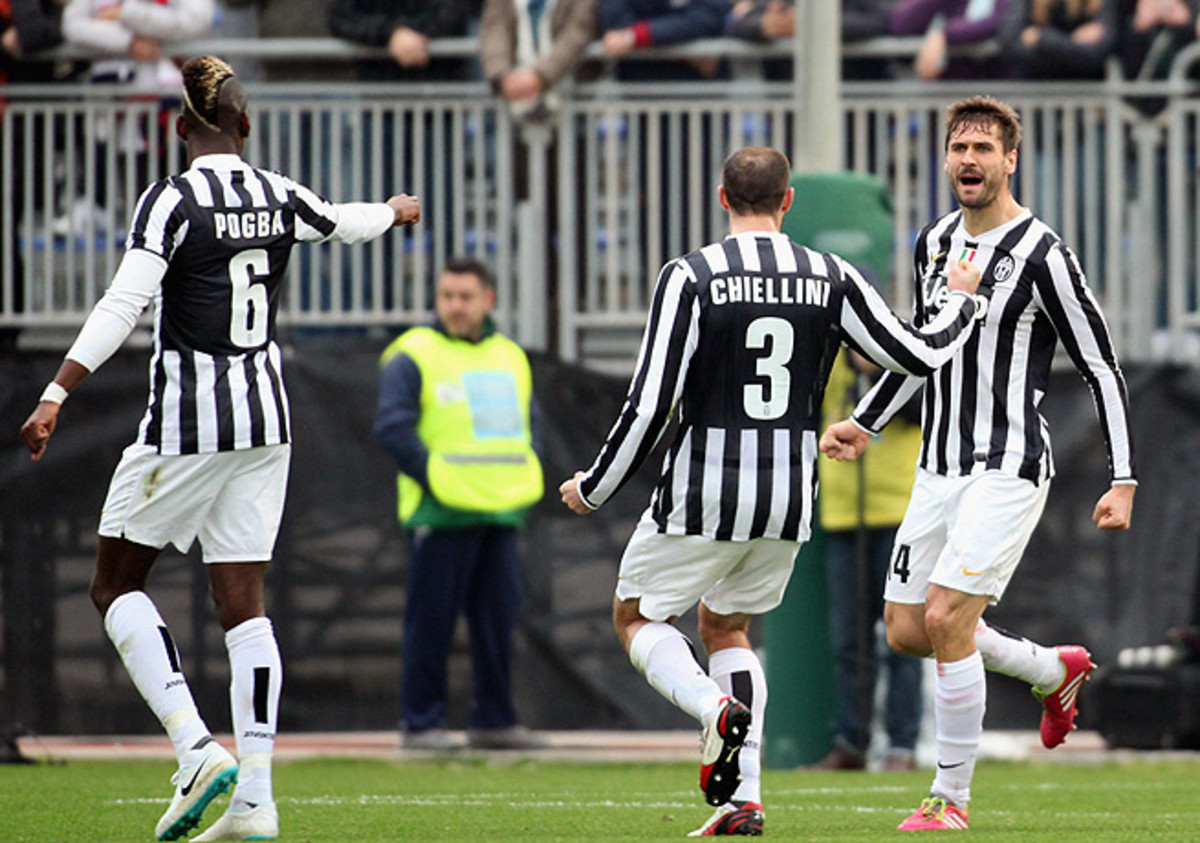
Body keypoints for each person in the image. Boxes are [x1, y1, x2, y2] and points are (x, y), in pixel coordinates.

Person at [19, 55, 420, 842]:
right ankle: (257, 799)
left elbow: (125, 300)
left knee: (114, 583)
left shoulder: (170, 199)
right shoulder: (275, 191)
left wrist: (56, 390)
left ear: (179, 131)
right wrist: (398, 211)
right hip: (266, 420)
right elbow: (344, 220)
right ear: (245, 125)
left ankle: (195, 747)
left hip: (188, 422)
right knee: (244, 602)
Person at [559, 146, 982, 837]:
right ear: (789, 203)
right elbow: (917, 353)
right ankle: (742, 801)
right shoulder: (831, 275)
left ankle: (710, 710)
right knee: (727, 626)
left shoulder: (690, 276)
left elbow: (649, 403)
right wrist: (959, 301)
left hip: (703, 490)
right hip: (788, 496)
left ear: (721, 198)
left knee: (635, 616)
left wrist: (596, 486)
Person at [820, 96, 1136, 831]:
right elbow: (926, 347)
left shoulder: (1044, 253)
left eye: (984, 148)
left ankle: (949, 798)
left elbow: (1101, 365)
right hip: (938, 465)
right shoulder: (934, 242)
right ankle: (1051, 670)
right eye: (959, 147)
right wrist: (865, 422)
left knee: (945, 616)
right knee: (905, 629)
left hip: (1008, 462)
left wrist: (1123, 478)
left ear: (1010, 160)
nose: (969, 159)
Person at [375, 256, 547, 752]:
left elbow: (530, 428)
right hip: (441, 512)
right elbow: (392, 427)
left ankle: (495, 721)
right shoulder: (413, 354)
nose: (455, 305)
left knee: (497, 626)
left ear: (488, 300)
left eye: (466, 296)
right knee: (431, 624)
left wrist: (523, 473)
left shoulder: (511, 356)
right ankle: (421, 723)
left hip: (501, 510)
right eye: (447, 295)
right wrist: (438, 479)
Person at [815, 350, 925, 773]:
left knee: (903, 636)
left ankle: (902, 743)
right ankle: (851, 740)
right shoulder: (831, 367)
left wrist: (879, 371)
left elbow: (922, 411)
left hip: (899, 512)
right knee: (850, 640)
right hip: (843, 514)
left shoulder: (903, 359)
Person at [479, 0, 600, 122]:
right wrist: (503, 77)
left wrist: (540, 77)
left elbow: (577, 32)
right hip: (511, 91)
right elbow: (494, 28)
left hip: (570, 89)